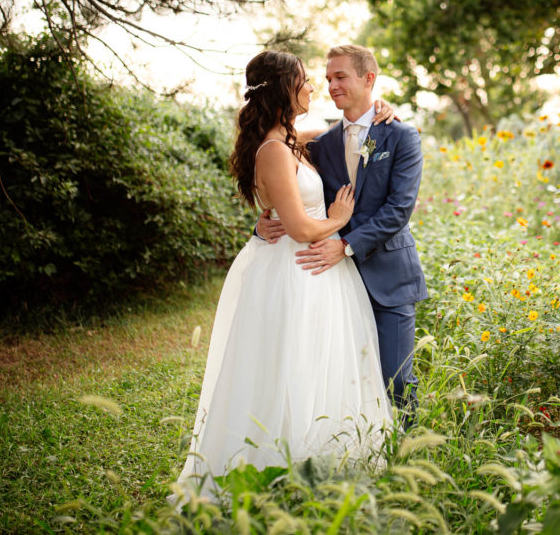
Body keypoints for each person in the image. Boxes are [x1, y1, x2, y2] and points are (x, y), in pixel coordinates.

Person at [173, 50, 393, 502]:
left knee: (312, 365)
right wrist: (338, 218)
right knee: (287, 367)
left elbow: (345, 133)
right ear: (282, 90)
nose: (314, 87)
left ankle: (315, 466)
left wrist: (380, 110)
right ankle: (275, 471)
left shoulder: (289, 139)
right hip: (294, 270)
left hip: (310, 272)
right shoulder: (274, 150)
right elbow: (299, 228)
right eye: (306, 80)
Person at [257, 44, 428, 427]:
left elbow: (399, 210)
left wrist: (346, 245)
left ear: (369, 79)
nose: (331, 85)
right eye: (328, 77)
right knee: (344, 377)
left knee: (396, 377)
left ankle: (409, 452)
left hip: (387, 275)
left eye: (340, 77)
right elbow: (279, 180)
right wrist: (260, 222)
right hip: (333, 283)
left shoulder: (401, 136)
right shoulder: (319, 144)